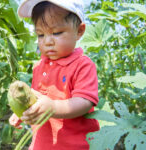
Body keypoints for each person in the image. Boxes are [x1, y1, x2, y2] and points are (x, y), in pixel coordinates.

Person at [9, 0, 100, 149]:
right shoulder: (39, 66)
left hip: (75, 146)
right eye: (40, 35)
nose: (47, 42)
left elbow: (84, 102)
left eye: (56, 33)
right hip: (42, 144)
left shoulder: (82, 65)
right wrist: (23, 112)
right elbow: (34, 100)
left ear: (79, 31)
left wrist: (53, 107)